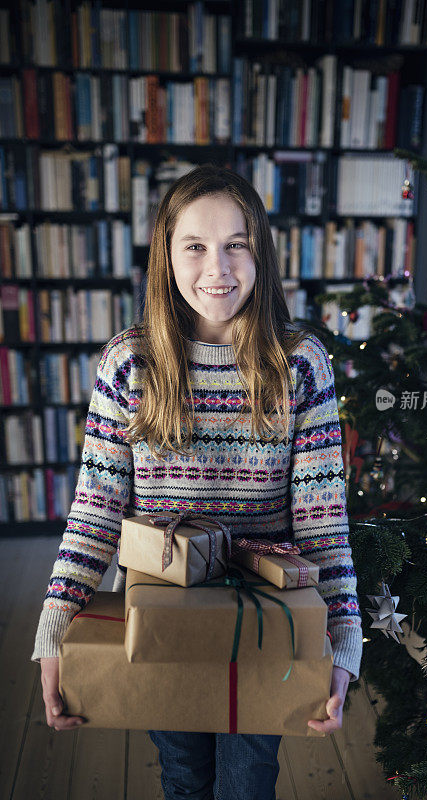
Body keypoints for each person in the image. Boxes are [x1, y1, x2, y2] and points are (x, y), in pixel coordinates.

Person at [32, 163, 363, 800]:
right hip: (162, 615)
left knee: (247, 785)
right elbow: (94, 512)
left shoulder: (300, 365)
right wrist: (55, 631)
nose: (218, 267)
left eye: (236, 244)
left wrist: (342, 644)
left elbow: (322, 520)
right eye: (196, 246)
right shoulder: (130, 363)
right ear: (166, 255)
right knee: (183, 778)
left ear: (260, 253)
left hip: (269, 619)